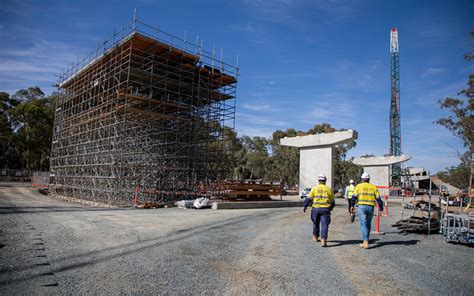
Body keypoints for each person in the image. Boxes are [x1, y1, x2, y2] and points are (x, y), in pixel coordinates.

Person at [350, 172, 383, 249]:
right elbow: (378, 199)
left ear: (362, 179)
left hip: (362, 207)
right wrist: (381, 208)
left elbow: (354, 197)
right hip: (371, 207)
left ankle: (365, 242)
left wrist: (352, 206)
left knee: (363, 224)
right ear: (369, 179)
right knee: (368, 224)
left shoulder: (359, 186)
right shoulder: (373, 187)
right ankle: (366, 240)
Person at [303, 174, 335, 247]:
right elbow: (333, 201)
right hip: (325, 209)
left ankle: (315, 236)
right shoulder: (328, 189)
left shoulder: (314, 188)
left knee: (315, 223)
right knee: (325, 225)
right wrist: (331, 208)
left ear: (318, 180)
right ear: (325, 181)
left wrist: (305, 206)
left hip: (315, 209)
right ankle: (323, 240)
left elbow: (308, 199)